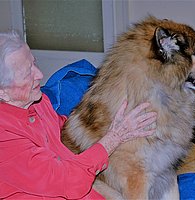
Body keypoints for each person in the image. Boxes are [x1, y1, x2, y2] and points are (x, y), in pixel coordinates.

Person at [0, 31, 157, 200]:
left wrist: (97, 124)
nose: (39, 75)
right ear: (3, 92)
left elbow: (62, 128)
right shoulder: (5, 140)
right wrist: (113, 138)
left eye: (34, 64)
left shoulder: (38, 102)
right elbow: (68, 183)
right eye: (27, 74)